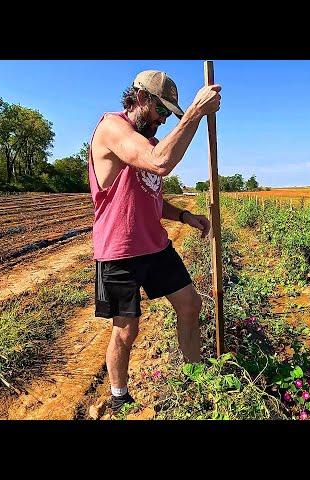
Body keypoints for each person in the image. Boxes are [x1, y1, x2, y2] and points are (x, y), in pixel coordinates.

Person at [87, 69, 221, 414]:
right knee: (126, 330)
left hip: (156, 245)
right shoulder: (113, 128)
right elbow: (160, 164)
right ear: (141, 98)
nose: (163, 120)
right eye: (161, 110)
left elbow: (149, 195)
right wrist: (194, 112)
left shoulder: (146, 141)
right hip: (119, 249)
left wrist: (184, 216)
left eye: (169, 114)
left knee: (191, 305)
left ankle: (194, 380)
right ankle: (119, 395)